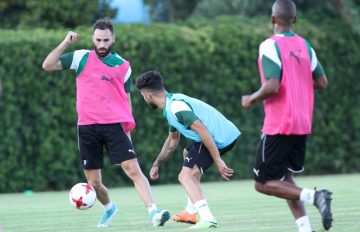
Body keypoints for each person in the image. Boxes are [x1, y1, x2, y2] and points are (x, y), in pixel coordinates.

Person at [42, 17, 170, 228]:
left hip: (114, 125)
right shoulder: (80, 57)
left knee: (133, 169)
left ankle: (154, 212)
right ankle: (109, 207)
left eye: (106, 40)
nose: (102, 44)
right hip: (86, 127)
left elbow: (126, 99)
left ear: (113, 40)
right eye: (98, 40)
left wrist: (128, 127)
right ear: (93, 38)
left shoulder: (123, 66)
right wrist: (66, 42)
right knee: (94, 182)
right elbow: (47, 65)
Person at [241, 0, 333, 231]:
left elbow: (272, 86)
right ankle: (305, 229)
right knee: (285, 179)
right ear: (294, 20)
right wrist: (297, 82)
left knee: (262, 184)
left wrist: (251, 98)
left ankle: (316, 196)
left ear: (273, 19)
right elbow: (322, 82)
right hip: (302, 123)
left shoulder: (269, 46)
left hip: (280, 123)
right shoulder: (305, 45)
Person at [135, 70, 241, 229]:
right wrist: (157, 163)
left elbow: (202, 130)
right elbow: (172, 140)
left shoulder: (176, 107)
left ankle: (208, 218)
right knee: (187, 154)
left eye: (143, 96)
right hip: (220, 136)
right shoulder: (170, 105)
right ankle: (190, 212)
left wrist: (218, 160)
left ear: (148, 96)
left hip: (220, 138)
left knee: (185, 176)